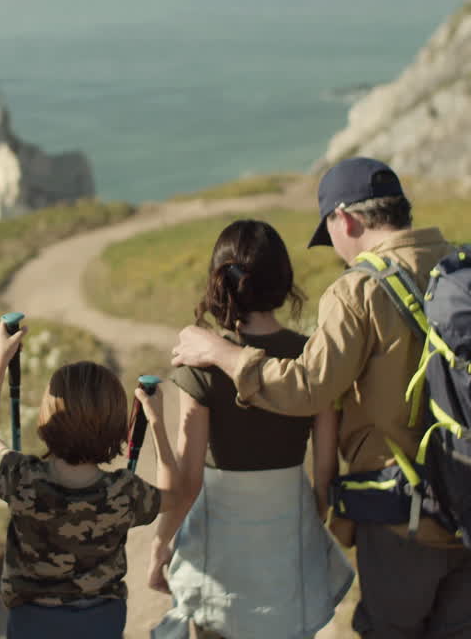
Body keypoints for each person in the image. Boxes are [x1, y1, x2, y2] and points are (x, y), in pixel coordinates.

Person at [171, 157, 471, 639]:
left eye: (330, 233)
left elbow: (307, 390)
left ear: (345, 219)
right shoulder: (470, 268)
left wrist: (221, 352)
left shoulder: (359, 291)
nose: (335, 249)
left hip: (406, 516)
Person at [150, 219, 353, 639]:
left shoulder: (201, 365)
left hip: (220, 558)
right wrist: (308, 523)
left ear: (220, 283)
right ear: (284, 282)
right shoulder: (309, 360)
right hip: (286, 550)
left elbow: (187, 486)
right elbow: (325, 470)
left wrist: (161, 548)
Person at [0, 321, 181, 639]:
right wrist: (157, 424)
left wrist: (1, 357)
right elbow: (175, 494)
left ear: (46, 417)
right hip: (101, 624)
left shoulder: (20, 477)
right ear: (115, 428)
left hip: (31, 623)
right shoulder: (124, 492)